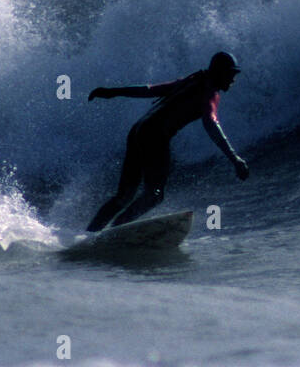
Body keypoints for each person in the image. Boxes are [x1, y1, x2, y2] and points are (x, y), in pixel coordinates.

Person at [85, 51, 248, 232]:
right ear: (220, 73)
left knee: (124, 196)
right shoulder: (210, 92)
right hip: (154, 136)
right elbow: (211, 123)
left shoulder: (192, 80)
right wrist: (235, 159)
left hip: (138, 131)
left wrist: (113, 92)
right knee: (154, 195)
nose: (233, 79)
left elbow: (149, 90)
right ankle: (117, 230)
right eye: (230, 74)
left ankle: (91, 233)